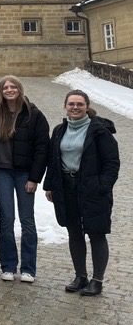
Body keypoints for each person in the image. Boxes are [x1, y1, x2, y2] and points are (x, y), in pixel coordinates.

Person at [43, 90, 119, 297]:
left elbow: (112, 163)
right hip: (67, 187)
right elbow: (53, 160)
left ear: (87, 106)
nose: (75, 107)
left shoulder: (99, 130)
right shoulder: (59, 130)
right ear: (65, 106)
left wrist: (103, 186)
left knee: (96, 232)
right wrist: (49, 185)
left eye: (79, 104)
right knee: (74, 232)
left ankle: (97, 280)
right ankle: (80, 276)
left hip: (92, 188)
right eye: (71, 104)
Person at [0, 76, 49, 283]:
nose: (9, 90)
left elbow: (42, 148)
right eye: (5, 87)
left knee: (27, 220)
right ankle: (8, 266)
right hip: (1, 172)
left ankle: (29, 268)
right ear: (0, 90)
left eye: (13, 86)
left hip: (24, 173)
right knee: (7, 219)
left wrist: (35, 178)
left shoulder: (34, 114)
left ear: (20, 89)